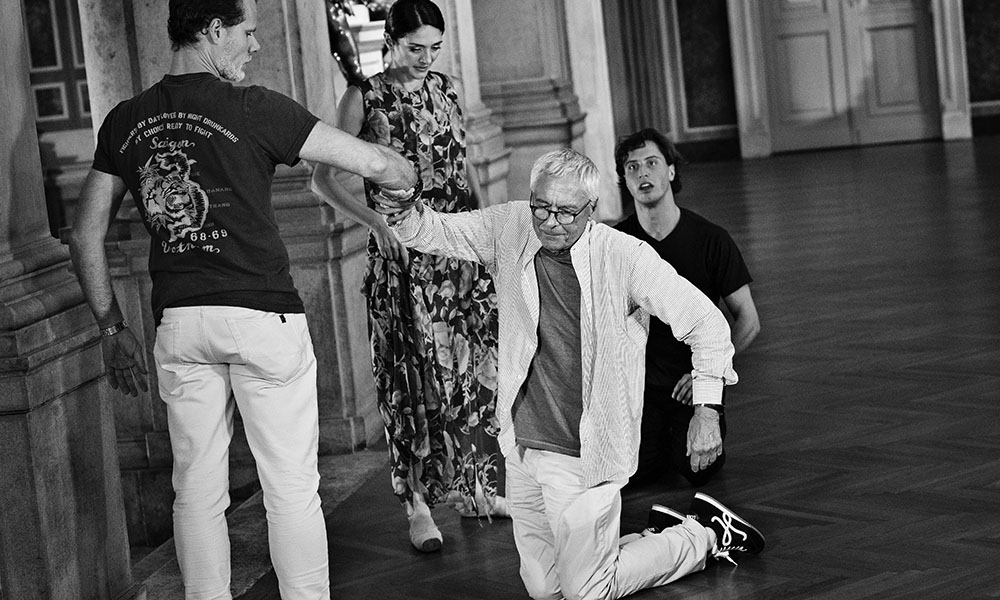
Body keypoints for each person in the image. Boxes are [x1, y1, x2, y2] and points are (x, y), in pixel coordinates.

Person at [67, 1, 418, 598]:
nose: (255, 46)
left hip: (181, 324)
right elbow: (374, 163)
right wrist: (403, 172)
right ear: (214, 31)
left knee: (195, 492)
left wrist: (110, 327)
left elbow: (83, 234)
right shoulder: (256, 107)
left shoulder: (125, 119)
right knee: (290, 488)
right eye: (248, 32)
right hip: (262, 317)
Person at [373, 148, 765, 600]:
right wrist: (398, 198)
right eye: (541, 207)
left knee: (587, 591)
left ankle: (704, 535)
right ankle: (649, 543)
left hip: (584, 453)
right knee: (544, 590)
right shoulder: (511, 226)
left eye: (566, 212)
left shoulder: (625, 256)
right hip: (522, 445)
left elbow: (708, 324)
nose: (550, 222)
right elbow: (432, 231)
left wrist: (707, 411)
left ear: (591, 209)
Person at [310, 0, 504, 554]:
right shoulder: (363, 98)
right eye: (415, 48)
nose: (426, 58)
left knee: (471, 371)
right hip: (403, 259)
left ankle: (474, 487)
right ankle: (417, 503)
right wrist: (377, 223)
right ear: (390, 41)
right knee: (410, 377)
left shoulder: (445, 89)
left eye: (434, 48)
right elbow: (322, 180)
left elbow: (462, 169)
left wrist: (486, 233)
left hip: (458, 252)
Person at [613, 128, 760, 487]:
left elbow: (749, 321)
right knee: (632, 473)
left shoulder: (711, 239)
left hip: (692, 381)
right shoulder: (616, 243)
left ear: (671, 170)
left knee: (698, 469)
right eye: (632, 167)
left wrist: (708, 374)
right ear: (625, 181)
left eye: (652, 163)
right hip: (640, 385)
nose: (643, 173)